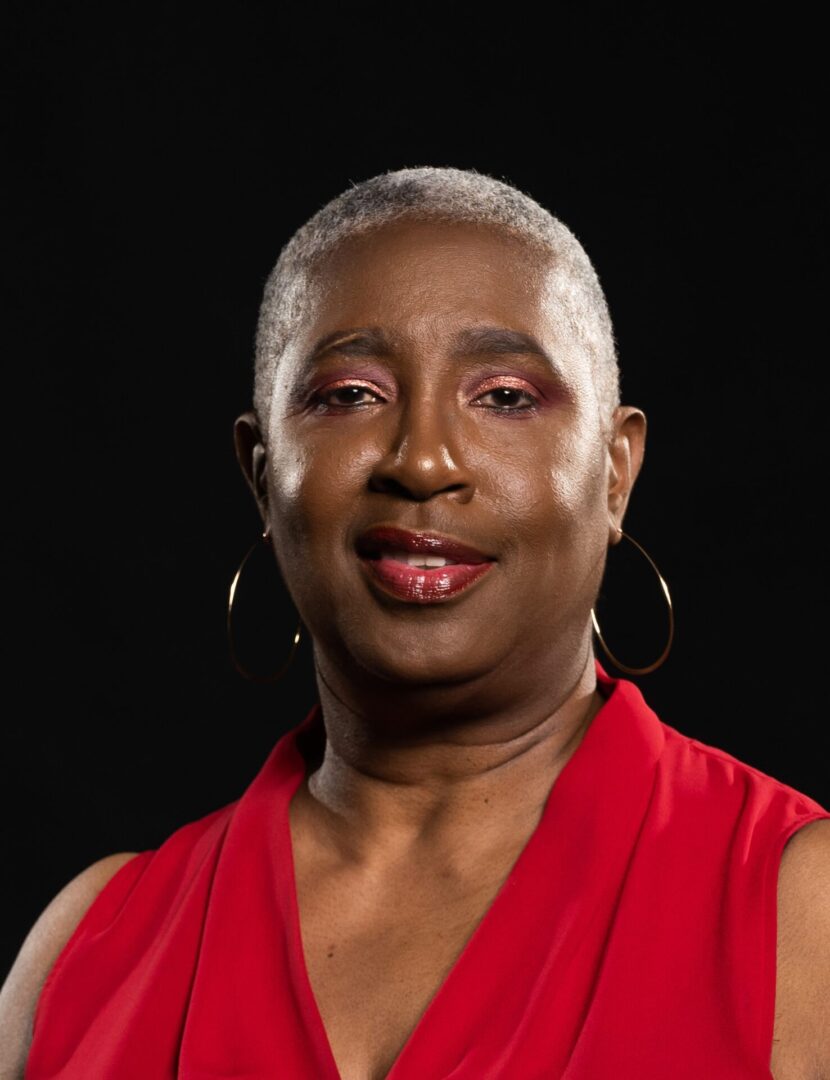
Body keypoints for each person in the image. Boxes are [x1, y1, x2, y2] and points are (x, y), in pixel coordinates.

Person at [2, 166, 829, 1079]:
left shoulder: (799, 908)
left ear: (616, 470)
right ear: (260, 474)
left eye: (505, 395)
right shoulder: (87, 950)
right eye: (350, 394)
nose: (423, 461)